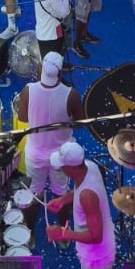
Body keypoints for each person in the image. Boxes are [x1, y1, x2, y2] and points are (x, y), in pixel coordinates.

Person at [15, 53, 82, 205]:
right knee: (61, 193)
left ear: (41, 70)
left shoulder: (28, 91)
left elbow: (23, 119)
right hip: (61, 155)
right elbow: (80, 124)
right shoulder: (71, 95)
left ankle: (30, 228)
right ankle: (63, 227)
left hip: (36, 155)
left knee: (33, 194)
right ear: (59, 74)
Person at [46, 141, 117, 269]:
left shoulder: (87, 196)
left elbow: (95, 237)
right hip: (97, 241)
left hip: (95, 258)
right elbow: (79, 191)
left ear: (71, 169)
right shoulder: (90, 166)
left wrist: (63, 234)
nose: (60, 169)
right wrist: (63, 200)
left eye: (62, 166)